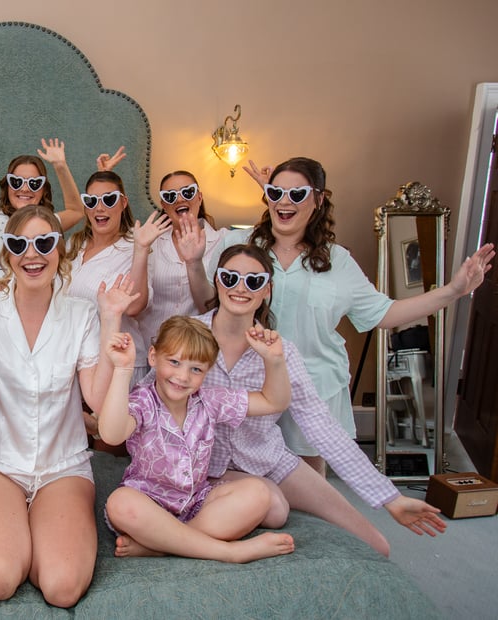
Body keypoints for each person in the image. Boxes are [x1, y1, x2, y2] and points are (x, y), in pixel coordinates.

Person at [202, 157, 495, 473]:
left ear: (319, 200)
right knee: (240, 480)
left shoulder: (338, 261)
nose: (284, 202)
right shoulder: (239, 246)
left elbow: (385, 313)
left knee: (308, 487)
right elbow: (205, 301)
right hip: (249, 385)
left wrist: (453, 291)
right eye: (276, 192)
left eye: (297, 194)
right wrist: (193, 263)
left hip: (314, 387)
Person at [0, 205, 131, 608]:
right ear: (7, 253)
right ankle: (17, 543)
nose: (32, 254)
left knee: (63, 588)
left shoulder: (81, 314)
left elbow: (97, 401)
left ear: (59, 249)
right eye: (19, 244)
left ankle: (35, 542)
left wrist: (111, 320)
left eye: (44, 243)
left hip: (63, 466)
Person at [199, 244, 447, 556]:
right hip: (204, 465)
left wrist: (392, 499)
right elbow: (155, 401)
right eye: (230, 277)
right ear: (217, 280)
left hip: (267, 458)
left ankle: (260, 495)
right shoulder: (187, 334)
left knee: (377, 545)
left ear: (267, 290)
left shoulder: (282, 352)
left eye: (253, 281)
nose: (240, 288)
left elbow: (322, 426)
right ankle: (247, 504)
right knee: (275, 509)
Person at [98, 316, 296, 563]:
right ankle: (229, 552)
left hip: (196, 505)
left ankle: (161, 545)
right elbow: (111, 434)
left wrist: (274, 360)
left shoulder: (209, 401)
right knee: (120, 503)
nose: (182, 377)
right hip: (148, 504)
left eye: (196, 369)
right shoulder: (143, 401)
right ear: (153, 356)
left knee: (258, 493)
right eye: (174, 362)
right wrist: (122, 369)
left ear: (206, 372)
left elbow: (274, 402)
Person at [66, 171, 169, 451]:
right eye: (92, 200)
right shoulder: (73, 246)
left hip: (117, 363)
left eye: (109, 199)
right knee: (73, 452)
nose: (99, 207)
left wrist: (141, 249)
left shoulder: (134, 246)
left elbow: (135, 306)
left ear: (123, 202)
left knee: (109, 453)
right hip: (76, 364)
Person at [0, 139, 85, 292]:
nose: (24, 189)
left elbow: (76, 211)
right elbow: (2, 288)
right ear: (7, 186)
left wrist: (60, 166)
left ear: (43, 190)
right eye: (16, 182)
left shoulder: (43, 223)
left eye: (34, 183)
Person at [137, 170, 225, 348]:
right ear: (163, 204)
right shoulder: (151, 242)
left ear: (199, 197)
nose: (179, 199)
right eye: (170, 196)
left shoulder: (223, 241)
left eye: (187, 192)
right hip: (151, 347)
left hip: (197, 349)